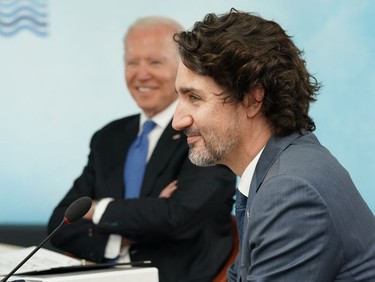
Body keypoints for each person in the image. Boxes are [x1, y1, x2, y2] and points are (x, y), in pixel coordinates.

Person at [172, 8, 375, 281]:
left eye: (194, 98)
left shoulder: (290, 189)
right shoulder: (278, 169)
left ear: (252, 99)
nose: (177, 121)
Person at [48, 16, 236, 282]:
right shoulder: (109, 137)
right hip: (99, 275)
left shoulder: (206, 132)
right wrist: (133, 226)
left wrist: (98, 209)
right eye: (132, 62)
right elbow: (60, 223)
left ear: (184, 68)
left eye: (155, 62)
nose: (141, 74)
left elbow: (176, 218)